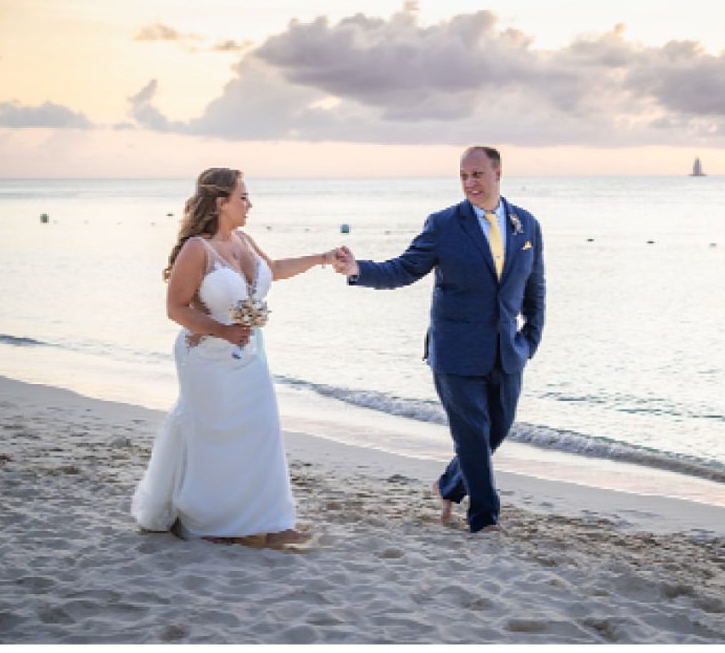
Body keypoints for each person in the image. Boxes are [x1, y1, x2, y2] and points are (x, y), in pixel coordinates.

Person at [334, 146, 545, 533]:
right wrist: (357, 269)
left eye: (477, 174)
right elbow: (404, 268)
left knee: (496, 430)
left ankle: (448, 485)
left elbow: (535, 288)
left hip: (507, 351)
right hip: (456, 352)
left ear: (498, 173)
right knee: (472, 435)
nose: (470, 183)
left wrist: (530, 340)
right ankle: (484, 519)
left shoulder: (526, 224)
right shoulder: (444, 224)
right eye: (463, 175)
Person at [131, 167, 338, 550]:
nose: (249, 204)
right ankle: (211, 521)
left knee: (262, 432)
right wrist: (222, 330)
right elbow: (175, 308)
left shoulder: (243, 240)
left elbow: (274, 270)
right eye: (243, 197)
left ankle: (273, 523)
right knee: (216, 437)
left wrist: (323, 258)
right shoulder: (197, 249)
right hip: (207, 358)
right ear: (220, 202)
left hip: (250, 355)